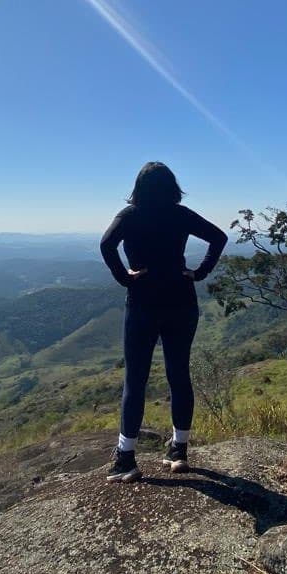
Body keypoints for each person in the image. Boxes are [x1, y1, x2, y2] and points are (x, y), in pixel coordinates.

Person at [99, 162, 228, 483]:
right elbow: (219, 237)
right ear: (172, 186)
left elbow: (106, 244)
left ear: (138, 187)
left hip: (143, 301)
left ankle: (126, 458)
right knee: (179, 374)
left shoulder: (130, 215)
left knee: (136, 379)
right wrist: (199, 273)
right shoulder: (180, 214)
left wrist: (124, 278)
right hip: (181, 300)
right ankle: (179, 452)